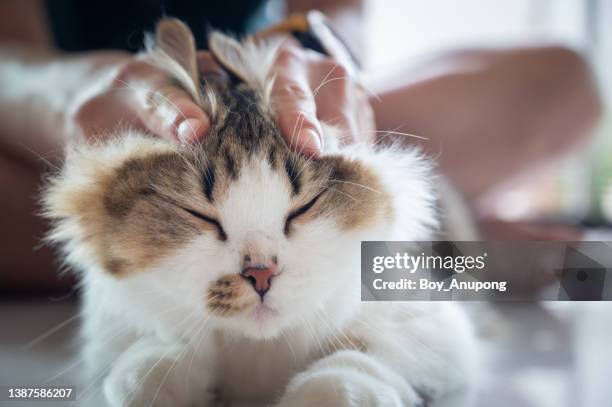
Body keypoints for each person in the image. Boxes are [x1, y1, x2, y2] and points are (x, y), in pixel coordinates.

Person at [0, 0, 601, 294]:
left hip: (268, 123)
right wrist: (73, 96)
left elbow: (336, 21)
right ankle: (419, 264)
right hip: (53, 135)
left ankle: (192, 253)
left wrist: (326, 82)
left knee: (566, 82)